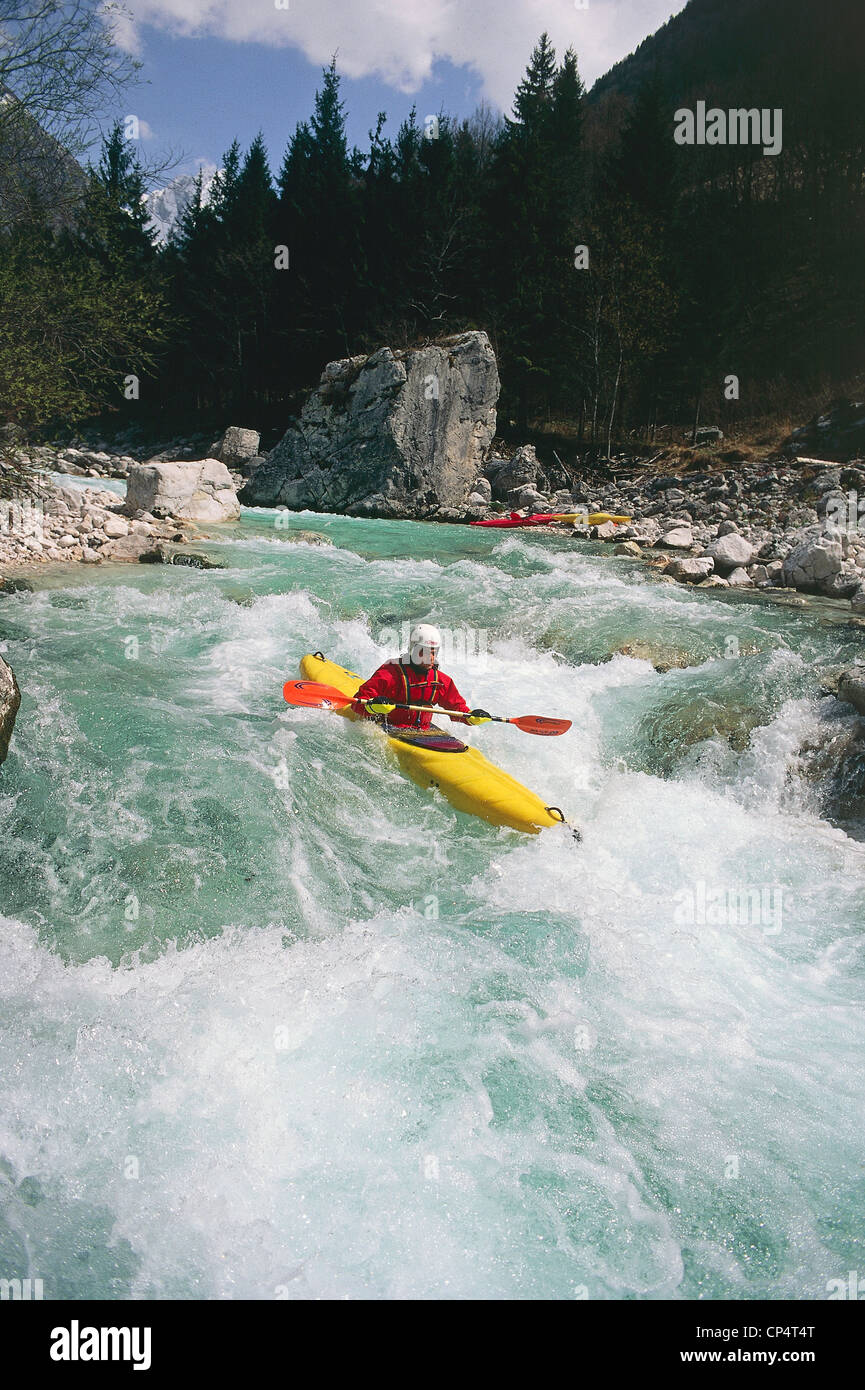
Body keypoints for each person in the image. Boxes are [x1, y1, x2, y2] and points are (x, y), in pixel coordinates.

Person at [352, 624, 491, 731]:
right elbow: (357, 703)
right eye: (423, 652)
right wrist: (374, 707)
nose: (430, 658)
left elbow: (458, 709)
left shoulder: (440, 681)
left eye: (433, 652)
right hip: (390, 726)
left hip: (422, 731)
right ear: (413, 649)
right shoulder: (390, 674)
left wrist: (471, 717)